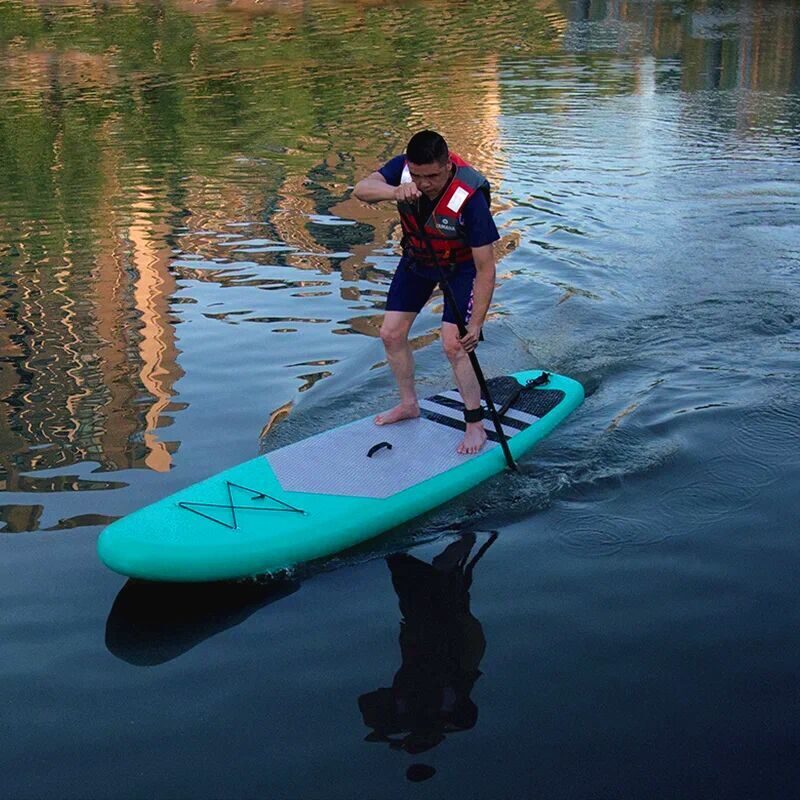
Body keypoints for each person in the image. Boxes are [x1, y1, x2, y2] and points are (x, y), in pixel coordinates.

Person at [353, 130, 499, 454]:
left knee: (454, 344)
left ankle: (475, 424)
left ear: (448, 165)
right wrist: (395, 191)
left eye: (432, 176)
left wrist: (475, 324)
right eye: (418, 176)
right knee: (390, 334)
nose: (424, 184)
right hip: (419, 259)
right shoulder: (403, 173)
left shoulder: (470, 198)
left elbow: (486, 268)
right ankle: (409, 405)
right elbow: (361, 189)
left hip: (461, 269)